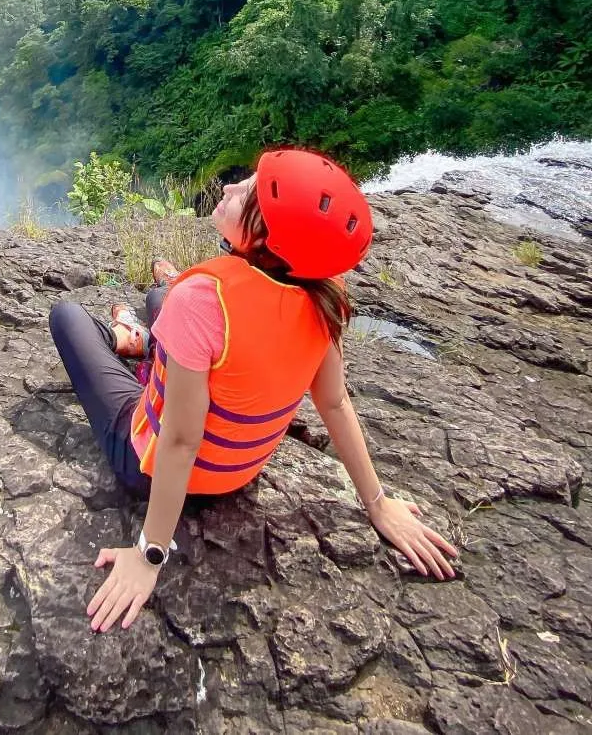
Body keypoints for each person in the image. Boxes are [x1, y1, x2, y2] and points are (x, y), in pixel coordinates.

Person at [48, 148, 459, 634]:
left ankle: (127, 338)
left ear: (264, 237)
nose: (229, 187)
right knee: (163, 297)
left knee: (69, 317)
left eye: (248, 191)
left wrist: (149, 554)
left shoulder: (202, 299)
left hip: (148, 467)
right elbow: (334, 402)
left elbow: (179, 442)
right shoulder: (322, 296)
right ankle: (144, 334)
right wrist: (377, 503)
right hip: (237, 474)